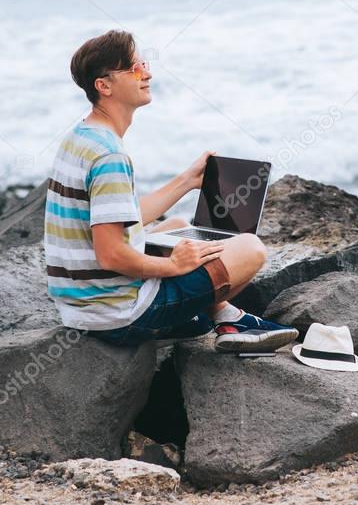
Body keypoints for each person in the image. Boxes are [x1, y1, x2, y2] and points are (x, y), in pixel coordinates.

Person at [44, 29, 299, 352]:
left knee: (177, 228)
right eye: (134, 68)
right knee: (250, 248)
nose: (147, 73)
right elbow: (110, 254)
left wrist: (188, 181)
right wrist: (173, 266)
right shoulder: (110, 156)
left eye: (144, 64)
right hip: (120, 315)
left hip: (83, 307)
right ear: (104, 86)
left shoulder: (82, 137)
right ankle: (223, 319)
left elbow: (118, 220)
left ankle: (226, 317)